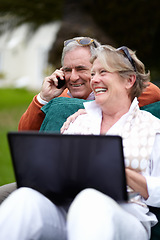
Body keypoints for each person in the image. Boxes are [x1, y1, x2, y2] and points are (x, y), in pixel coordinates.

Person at [0, 45, 160, 240]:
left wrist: (122, 173)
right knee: (25, 198)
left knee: (89, 200)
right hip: (68, 207)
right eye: (93, 73)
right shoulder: (78, 122)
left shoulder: (152, 128)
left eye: (103, 72)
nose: (94, 80)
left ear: (129, 80)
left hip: (125, 214)